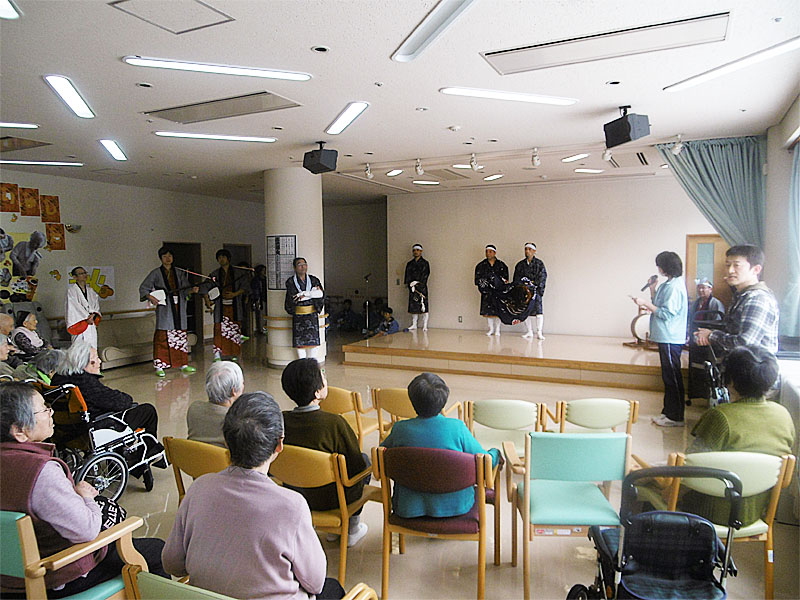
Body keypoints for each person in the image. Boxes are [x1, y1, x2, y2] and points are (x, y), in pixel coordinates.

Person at [162, 392, 345, 600]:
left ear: (226, 441)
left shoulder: (198, 489)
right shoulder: (292, 506)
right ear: (279, 445)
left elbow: (172, 564)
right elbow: (315, 582)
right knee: (333, 589)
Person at [0, 382, 168, 597]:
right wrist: (86, 498)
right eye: (43, 409)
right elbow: (87, 531)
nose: (51, 412)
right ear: (19, 431)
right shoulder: (40, 472)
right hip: (54, 578)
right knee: (156, 552)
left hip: (7, 582)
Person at [682, 346, 794, 525]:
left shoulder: (720, 417)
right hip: (755, 513)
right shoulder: (783, 415)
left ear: (731, 380)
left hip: (708, 512)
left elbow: (689, 468)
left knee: (646, 491)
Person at [381, 373, 500, 518]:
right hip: (457, 507)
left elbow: (380, 457)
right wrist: (496, 453)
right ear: (443, 400)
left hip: (408, 508)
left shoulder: (400, 429)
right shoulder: (457, 428)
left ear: (412, 400)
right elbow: (486, 461)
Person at [280, 358, 369, 546]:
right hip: (332, 499)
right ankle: (351, 528)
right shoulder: (334, 423)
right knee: (364, 460)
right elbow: (356, 466)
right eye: (323, 377)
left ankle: (330, 530)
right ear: (317, 392)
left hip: (295, 494)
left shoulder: (281, 421)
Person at [50, 340, 164, 465]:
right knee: (147, 411)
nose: (99, 362)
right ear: (86, 364)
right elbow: (121, 402)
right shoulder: (86, 383)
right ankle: (150, 452)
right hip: (89, 430)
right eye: (96, 358)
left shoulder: (58, 378)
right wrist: (128, 399)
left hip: (64, 430)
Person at [695, 245, 779, 362]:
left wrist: (711, 335)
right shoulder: (741, 295)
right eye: (728, 265)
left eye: (737, 265)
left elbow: (745, 344)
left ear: (756, 269)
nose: (730, 270)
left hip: (753, 369)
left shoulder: (757, 298)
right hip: (738, 366)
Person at [632, 251, 688, 427]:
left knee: (672, 377)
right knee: (668, 376)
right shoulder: (668, 284)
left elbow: (666, 313)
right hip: (666, 336)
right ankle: (668, 412)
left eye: (659, 265)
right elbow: (658, 304)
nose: (658, 268)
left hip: (671, 336)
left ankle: (676, 417)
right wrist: (652, 288)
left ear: (665, 267)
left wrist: (645, 304)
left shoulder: (674, 287)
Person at [139, 246, 199, 377]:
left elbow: (185, 289)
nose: (168, 259)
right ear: (160, 258)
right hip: (165, 307)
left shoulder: (179, 272)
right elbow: (143, 288)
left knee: (180, 335)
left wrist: (192, 290)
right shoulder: (155, 273)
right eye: (165, 256)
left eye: (170, 256)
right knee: (162, 336)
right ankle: (160, 366)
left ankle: (183, 364)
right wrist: (151, 297)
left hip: (179, 307)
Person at [187, 361, 245, 448]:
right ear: (233, 391)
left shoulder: (194, 409)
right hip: (223, 457)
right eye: (242, 383)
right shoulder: (237, 421)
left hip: (193, 455)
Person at [203, 249, 246, 361]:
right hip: (220, 306)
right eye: (219, 258)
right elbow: (205, 287)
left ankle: (235, 353)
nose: (221, 259)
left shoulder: (238, 273)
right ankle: (217, 353)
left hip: (234, 305)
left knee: (234, 329)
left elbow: (245, 287)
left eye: (223, 257)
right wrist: (207, 300)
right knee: (218, 328)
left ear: (228, 258)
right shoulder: (214, 274)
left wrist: (235, 294)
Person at [284, 257, 325, 360]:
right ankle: (302, 363)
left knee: (313, 342)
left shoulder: (314, 280)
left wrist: (305, 294)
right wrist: (311, 294)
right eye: (299, 265)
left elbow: (320, 294)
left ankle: (312, 362)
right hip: (299, 315)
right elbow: (294, 298)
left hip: (312, 314)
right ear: (294, 267)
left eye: (305, 264)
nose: (303, 267)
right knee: (300, 343)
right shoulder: (291, 282)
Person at [513, 243, 547, 339]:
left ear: (534, 251)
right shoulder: (520, 265)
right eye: (526, 249)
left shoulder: (539, 264)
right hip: (524, 292)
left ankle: (539, 332)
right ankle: (529, 331)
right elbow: (516, 279)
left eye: (529, 249)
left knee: (538, 312)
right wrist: (521, 288)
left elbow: (542, 277)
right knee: (526, 311)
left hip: (535, 291)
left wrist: (538, 289)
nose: (527, 251)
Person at [474, 244, 509, 336]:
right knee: (488, 312)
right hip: (487, 292)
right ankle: (491, 329)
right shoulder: (481, 266)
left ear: (494, 253)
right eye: (486, 251)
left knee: (498, 311)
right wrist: (484, 286)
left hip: (498, 292)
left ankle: (497, 329)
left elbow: (505, 280)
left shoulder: (501, 265)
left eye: (490, 251)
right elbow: (477, 279)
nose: (488, 253)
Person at [65, 266, 102, 348]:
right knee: (80, 350)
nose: (84, 275)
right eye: (81, 273)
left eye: (85, 273)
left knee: (93, 348)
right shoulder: (71, 291)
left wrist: (93, 315)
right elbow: (73, 308)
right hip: (80, 323)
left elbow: (96, 306)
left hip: (91, 323)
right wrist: (86, 317)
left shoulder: (91, 291)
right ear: (75, 277)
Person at [404, 244, 430, 331]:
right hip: (412, 287)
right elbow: (407, 275)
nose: (416, 252)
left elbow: (425, 275)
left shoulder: (425, 263)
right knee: (413, 306)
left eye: (417, 250)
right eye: (414, 250)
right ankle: (414, 324)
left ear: (421, 251)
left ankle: (425, 325)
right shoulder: (410, 264)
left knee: (423, 306)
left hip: (421, 288)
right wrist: (409, 284)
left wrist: (418, 283)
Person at [250, 264, 267, 334]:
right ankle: (261, 328)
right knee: (260, 314)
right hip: (260, 298)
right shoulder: (256, 280)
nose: (264, 272)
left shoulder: (265, 279)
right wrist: (256, 299)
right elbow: (256, 291)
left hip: (265, 298)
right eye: (263, 270)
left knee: (264, 314)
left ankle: (264, 328)